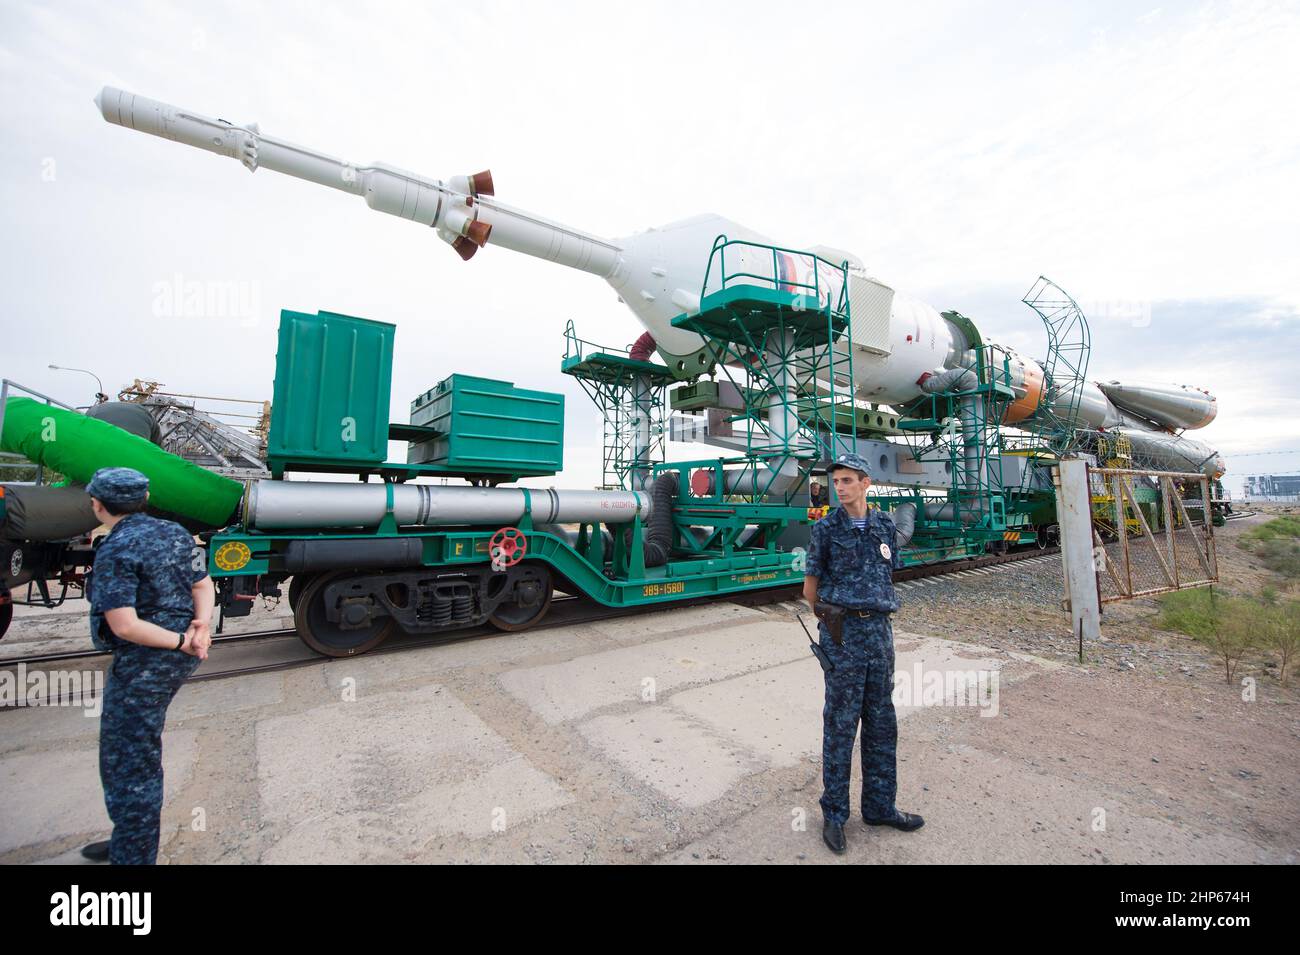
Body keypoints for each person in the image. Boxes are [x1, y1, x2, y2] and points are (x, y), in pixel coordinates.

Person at [80, 467, 213, 864]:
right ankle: (129, 835)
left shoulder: (116, 548)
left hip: (147, 660)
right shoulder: (174, 532)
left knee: (129, 762)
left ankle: (133, 854)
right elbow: (203, 584)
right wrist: (200, 628)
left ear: (98, 505)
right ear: (145, 498)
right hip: (174, 652)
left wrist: (182, 642)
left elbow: (125, 625)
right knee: (133, 754)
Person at [802, 452, 923, 855]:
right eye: (836, 481)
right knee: (839, 725)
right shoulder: (824, 530)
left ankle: (880, 806)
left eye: (847, 481)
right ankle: (834, 816)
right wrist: (833, 623)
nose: (839, 487)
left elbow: (890, 571)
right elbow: (809, 591)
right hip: (844, 634)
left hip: (879, 634)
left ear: (866, 483)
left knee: (881, 721)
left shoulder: (885, 525)